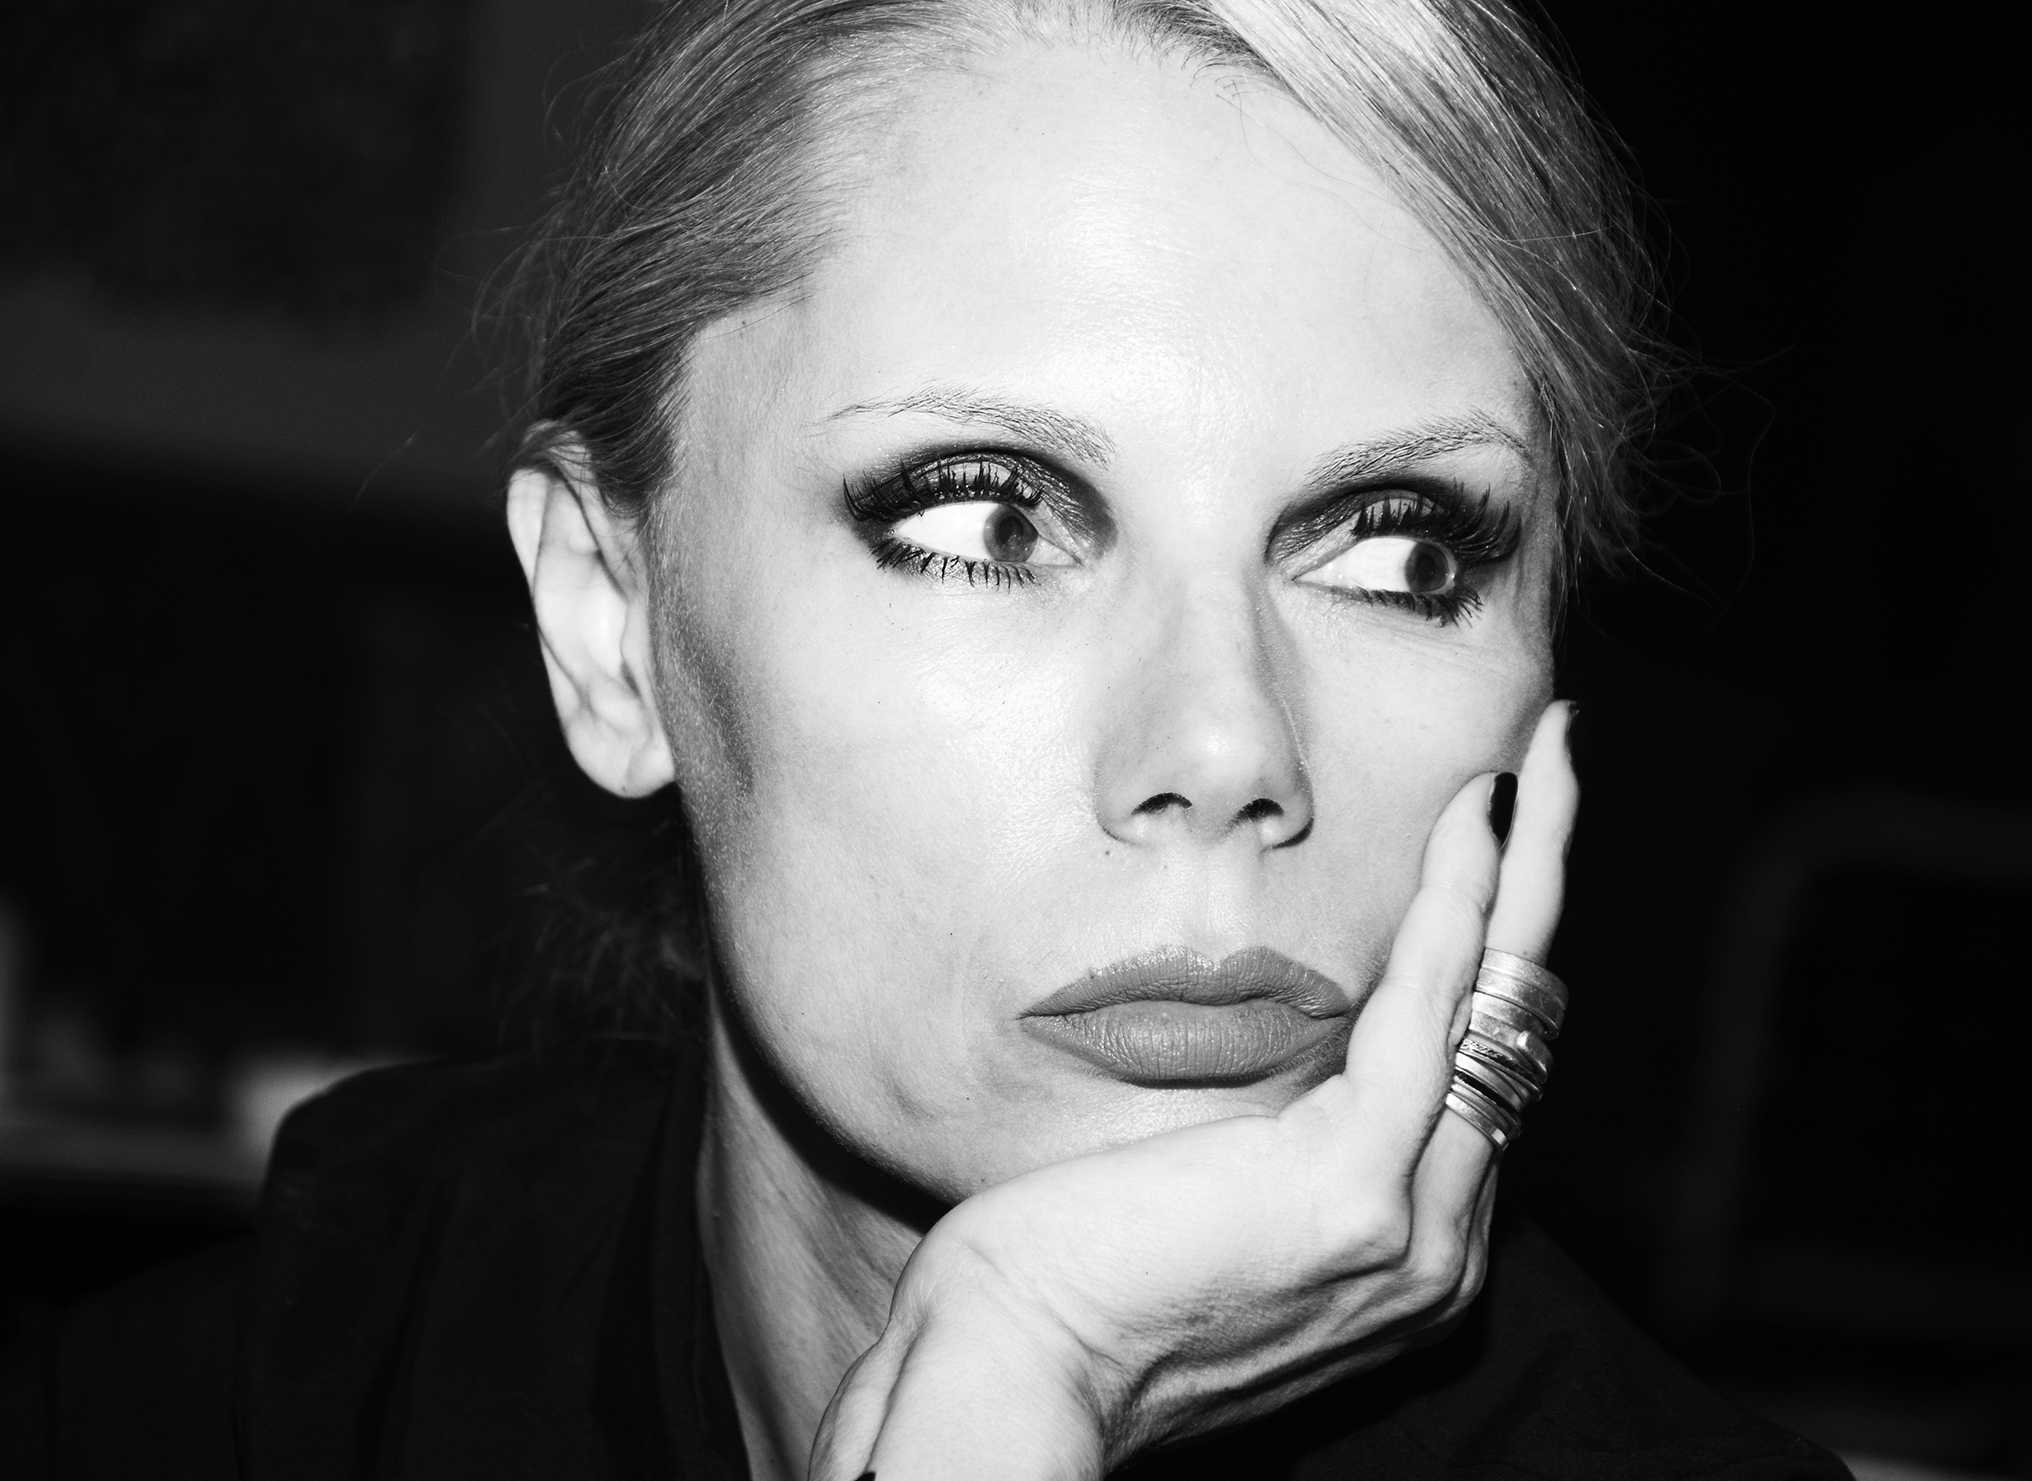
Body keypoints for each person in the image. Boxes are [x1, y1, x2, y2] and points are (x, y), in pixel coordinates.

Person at [9, 2, 1849, 1477]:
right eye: (982, 517)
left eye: (1398, 549)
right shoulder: (257, 1396)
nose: (1225, 745)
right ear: (610, 627)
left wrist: (1035, 1362)